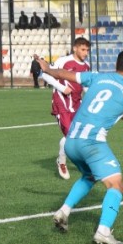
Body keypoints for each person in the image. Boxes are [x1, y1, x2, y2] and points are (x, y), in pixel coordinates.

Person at [36, 50, 123, 244]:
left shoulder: (97, 76)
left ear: (117, 65)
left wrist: (48, 68)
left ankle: (63, 212)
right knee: (116, 185)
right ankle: (103, 231)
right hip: (91, 143)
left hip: (71, 141)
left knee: (89, 176)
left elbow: (63, 74)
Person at [41, 36, 92, 179]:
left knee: (78, 135)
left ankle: (64, 159)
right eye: (83, 49)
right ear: (75, 48)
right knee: (70, 135)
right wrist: (61, 87)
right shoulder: (63, 61)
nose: (85, 53)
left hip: (77, 104)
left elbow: (86, 86)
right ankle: (62, 161)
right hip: (61, 103)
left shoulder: (86, 66)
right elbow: (45, 75)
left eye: (87, 50)